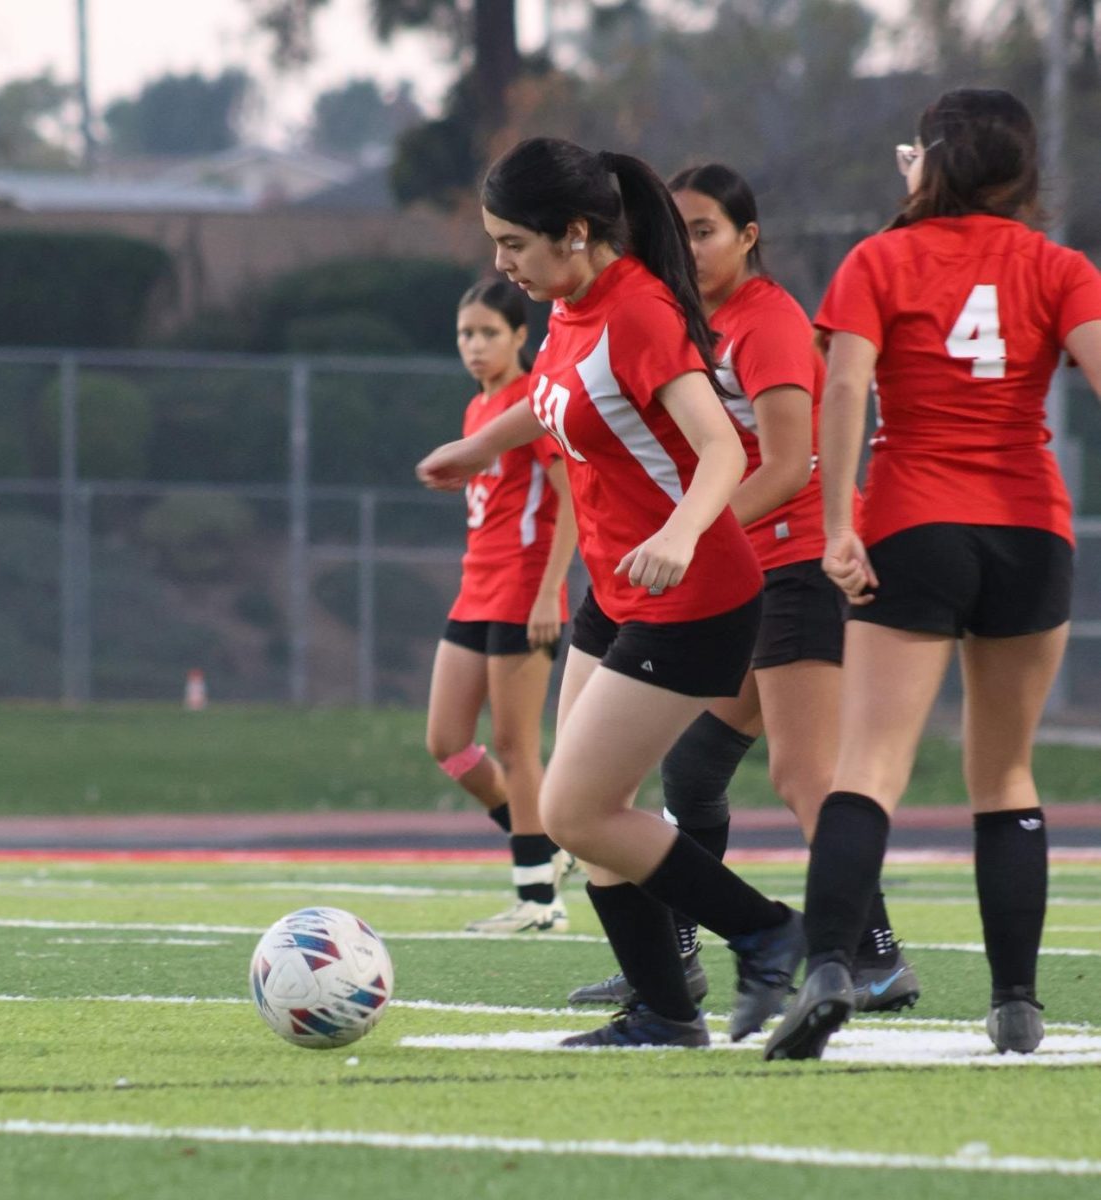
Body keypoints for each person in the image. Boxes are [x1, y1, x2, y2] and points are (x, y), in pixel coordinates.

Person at [417, 136, 805, 1048]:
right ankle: (668, 1012)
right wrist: (480, 447)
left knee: (573, 810)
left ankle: (766, 931)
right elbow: (555, 395)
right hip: (620, 589)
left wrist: (680, 531)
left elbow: (721, 447)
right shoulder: (570, 304)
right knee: (591, 819)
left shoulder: (636, 312)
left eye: (512, 243)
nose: (500, 263)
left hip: (694, 591)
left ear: (575, 232)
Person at [764, 88, 1101, 1060]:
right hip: (1028, 529)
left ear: (935, 161)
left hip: (913, 522)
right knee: (1002, 772)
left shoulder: (880, 258)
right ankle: (1014, 1004)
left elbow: (842, 382)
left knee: (868, 766)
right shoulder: (1057, 265)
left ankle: (828, 964)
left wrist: (837, 526)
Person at [566, 163, 919, 1030]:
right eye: (675, 229)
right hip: (733, 570)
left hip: (791, 562)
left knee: (806, 777)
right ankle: (672, 959)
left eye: (705, 230)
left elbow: (789, 464)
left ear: (747, 237)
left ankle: (866, 956)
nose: (687, 247)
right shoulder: (684, 316)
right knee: (691, 767)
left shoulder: (766, 320)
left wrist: (691, 527)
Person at [427, 278, 578, 933]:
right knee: (449, 743)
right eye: (467, 333)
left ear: (522, 336)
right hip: (475, 586)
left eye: (490, 332)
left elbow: (575, 496)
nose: (476, 345)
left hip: (524, 588)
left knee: (518, 746)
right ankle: (547, 846)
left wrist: (550, 589)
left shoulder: (533, 402)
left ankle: (539, 901)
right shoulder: (476, 409)